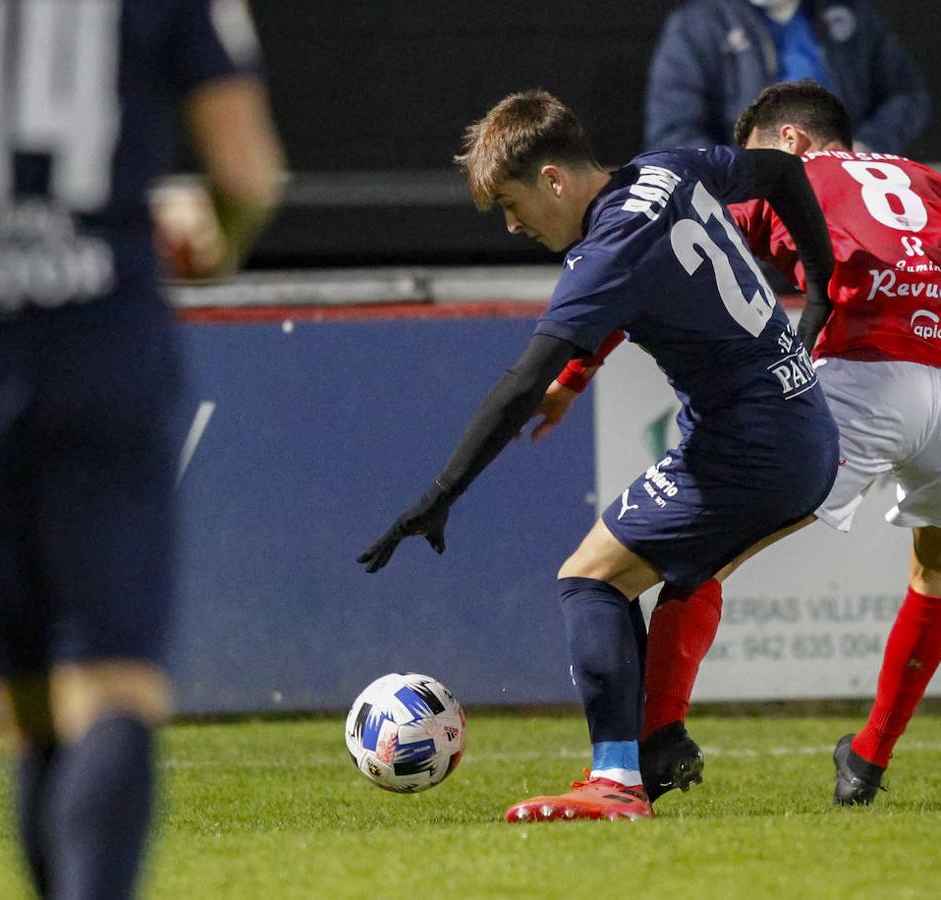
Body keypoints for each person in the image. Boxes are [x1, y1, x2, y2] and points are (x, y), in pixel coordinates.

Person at [537, 81, 941, 805]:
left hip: (859, 381)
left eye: (754, 155)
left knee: (701, 554)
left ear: (789, 143)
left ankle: (657, 741)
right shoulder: (936, 187)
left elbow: (660, 258)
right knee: (938, 570)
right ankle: (866, 761)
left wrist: (574, 373)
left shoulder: (782, 184)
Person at [357, 88, 839, 823]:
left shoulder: (609, 248)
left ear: (553, 178)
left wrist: (441, 493)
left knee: (590, 581)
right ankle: (652, 745)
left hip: (755, 446)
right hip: (798, 421)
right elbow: (778, 172)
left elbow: (521, 381)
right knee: (641, 571)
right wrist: (821, 282)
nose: (515, 225)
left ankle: (618, 780)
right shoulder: (668, 168)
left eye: (514, 205)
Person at [0, 1, 284, 896]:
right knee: (115, 681)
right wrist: (220, 243)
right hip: (105, 352)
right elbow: (247, 172)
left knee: (25, 701)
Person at [644, 0, 930, 154]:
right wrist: (744, 173)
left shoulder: (851, 12)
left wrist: (865, 146)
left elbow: (907, 95)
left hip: (847, 189)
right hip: (747, 208)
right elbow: (673, 134)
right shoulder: (697, 25)